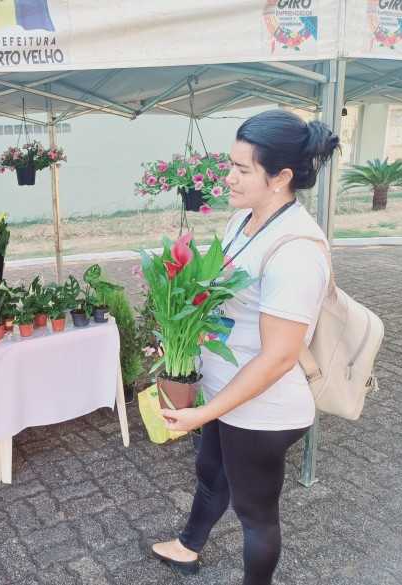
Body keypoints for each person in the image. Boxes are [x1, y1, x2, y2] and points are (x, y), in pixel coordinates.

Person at [151, 110, 339, 585]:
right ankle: (188, 545)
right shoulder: (245, 221)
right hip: (225, 395)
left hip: (262, 408)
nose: (227, 178)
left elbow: (277, 357)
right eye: (229, 165)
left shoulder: (296, 250)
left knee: (255, 513)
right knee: (211, 470)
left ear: (281, 177)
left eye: (242, 170)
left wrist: (200, 413)